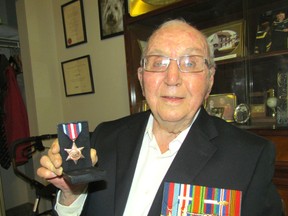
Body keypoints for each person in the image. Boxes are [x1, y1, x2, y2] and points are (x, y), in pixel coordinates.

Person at [37, 19, 283, 215]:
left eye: (190, 63)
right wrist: (72, 194)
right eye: (158, 62)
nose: (172, 78)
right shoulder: (105, 137)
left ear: (209, 79)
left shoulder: (249, 158)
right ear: (142, 77)